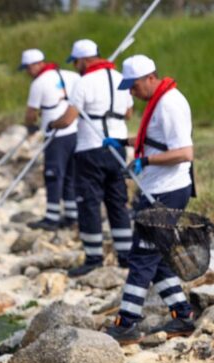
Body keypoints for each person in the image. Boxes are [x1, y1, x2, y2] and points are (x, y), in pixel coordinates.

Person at [105, 54, 196, 345]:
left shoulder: (169, 104)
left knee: (143, 256)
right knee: (155, 258)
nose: (131, 92)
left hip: (168, 190)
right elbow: (154, 139)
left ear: (150, 78)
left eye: (134, 86)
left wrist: (146, 161)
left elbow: (184, 153)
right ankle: (183, 315)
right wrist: (124, 142)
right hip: (156, 189)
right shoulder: (157, 101)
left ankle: (126, 323)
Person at [48, 38, 134, 277]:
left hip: (90, 149)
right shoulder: (121, 79)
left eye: (75, 62)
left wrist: (52, 124)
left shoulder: (84, 82)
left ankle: (94, 258)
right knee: (117, 201)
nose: (75, 67)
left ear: (84, 60)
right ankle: (125, 257)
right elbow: (128, 113)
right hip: (118, 148)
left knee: (89, 203)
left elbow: (68, 119)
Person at [19, 48, 80, 232]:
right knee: (70, 175)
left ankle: (51, 218)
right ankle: (72, 215)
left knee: (53, 175)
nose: (27, 72)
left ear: (37, 64)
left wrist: (30, 126)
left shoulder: (39, 83)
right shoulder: (70, 75)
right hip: (76, 131)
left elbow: (31, 113)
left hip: (56, 135)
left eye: (28, 68)